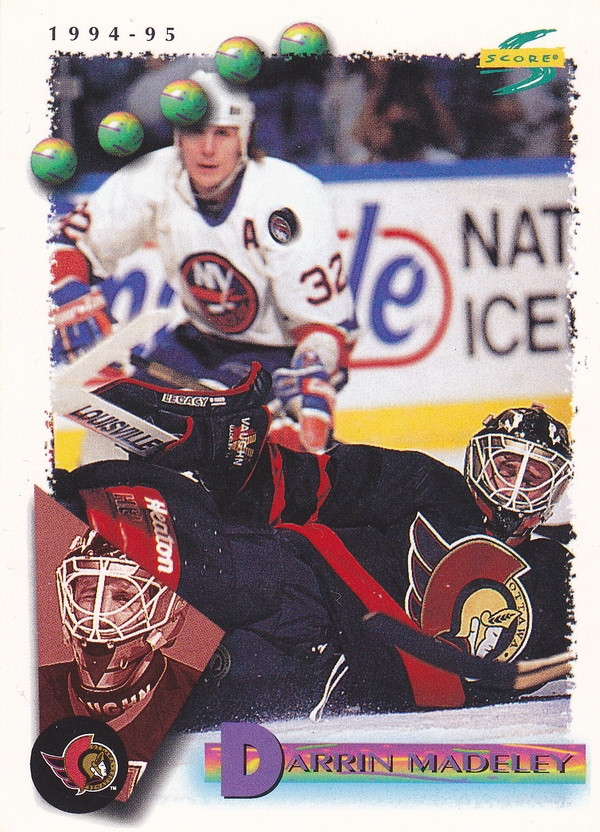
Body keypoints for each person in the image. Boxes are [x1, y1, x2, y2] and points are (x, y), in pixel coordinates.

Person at [53, 367, 574, 726]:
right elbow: (317, 485)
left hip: (326, 675)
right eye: (508, 465)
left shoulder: (555, 572)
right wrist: (234, 457)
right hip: (298, 584)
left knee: (159, 697)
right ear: (481, 459)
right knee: (169, 540)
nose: (515, 484)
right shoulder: (427, 484)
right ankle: (66, 497)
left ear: (555, 490)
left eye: (534, 476)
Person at [52, 69, 356, 455]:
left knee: (213, 444)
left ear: (244, 138)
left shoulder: (289, 197)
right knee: (109, 434)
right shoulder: (154, 177)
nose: (207, 149)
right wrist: (68, 290)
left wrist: (311, 372)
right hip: (195, 344)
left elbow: (326, 329)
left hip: (271, 359)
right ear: (178, 137)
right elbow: (69, 243)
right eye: (195, 132)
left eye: (222, 134)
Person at [38, 529, 197, 799]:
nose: (100, 615)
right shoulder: (31, 691)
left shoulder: (197, 699)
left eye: (123, 598)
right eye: (89, 595)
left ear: (164, 611)